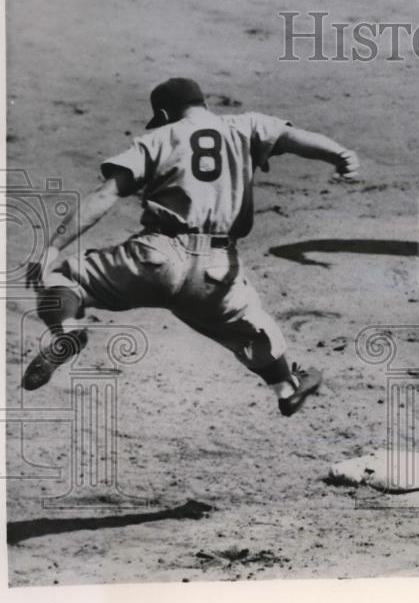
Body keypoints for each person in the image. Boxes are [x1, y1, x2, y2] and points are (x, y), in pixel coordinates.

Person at [22, 78, 360, 416]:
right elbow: (294, 138)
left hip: (155, 257)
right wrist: (339, 155)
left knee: (63, 281)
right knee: (251, 328)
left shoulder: (158, 137)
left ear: (166, 113)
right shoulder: (247, 125)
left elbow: (105, 195)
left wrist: (52, 248)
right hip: (215, 270)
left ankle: (67, 331)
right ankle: (286, 387)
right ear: (203, 103)